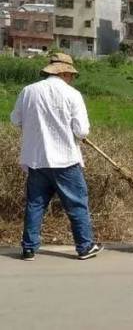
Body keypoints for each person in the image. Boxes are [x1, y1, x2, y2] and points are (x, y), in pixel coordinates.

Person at [10, 53, 103, 261]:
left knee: (35, 204)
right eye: (71, 74)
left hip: (36, 159)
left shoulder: (28, 91)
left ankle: (28, 248)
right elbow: (82, 131)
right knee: (77, 203)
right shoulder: (72, 95)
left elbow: (15, 120)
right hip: (65, 160)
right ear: (64, 72)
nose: (71, 78)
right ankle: (85, 246)